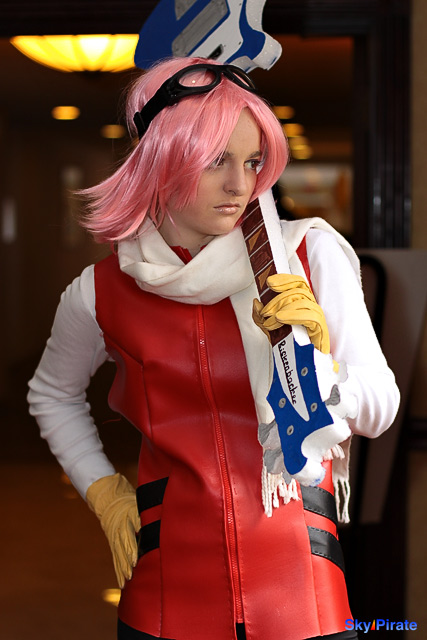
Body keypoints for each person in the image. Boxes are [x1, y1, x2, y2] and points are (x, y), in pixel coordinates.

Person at [28, 57, 399, 640]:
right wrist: (102, 490)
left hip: (302, 591)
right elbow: (52, 393)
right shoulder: (100, 291)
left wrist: (319, 370)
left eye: (252, 161)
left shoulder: (305, 257)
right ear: (161, 161)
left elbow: (380, 407)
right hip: (165, 592)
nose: (240, 185)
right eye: (215, 161)